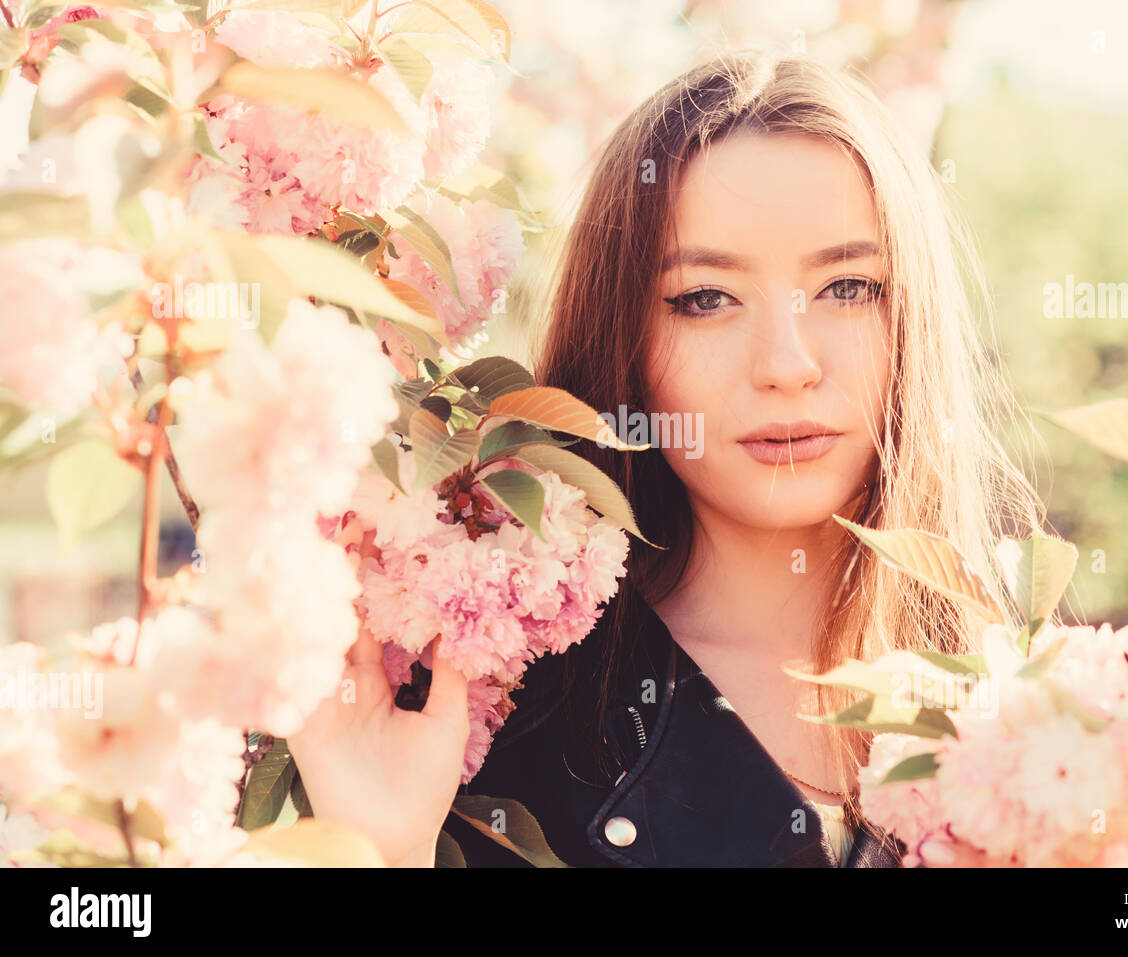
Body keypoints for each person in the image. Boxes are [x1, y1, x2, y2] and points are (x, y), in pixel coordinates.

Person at [288, 51, 1048, 868]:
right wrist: (381, 850)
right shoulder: (488, 722)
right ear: (626, 343)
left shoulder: (1044, 709)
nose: (787, 363)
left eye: (849, 287)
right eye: (705, 299)